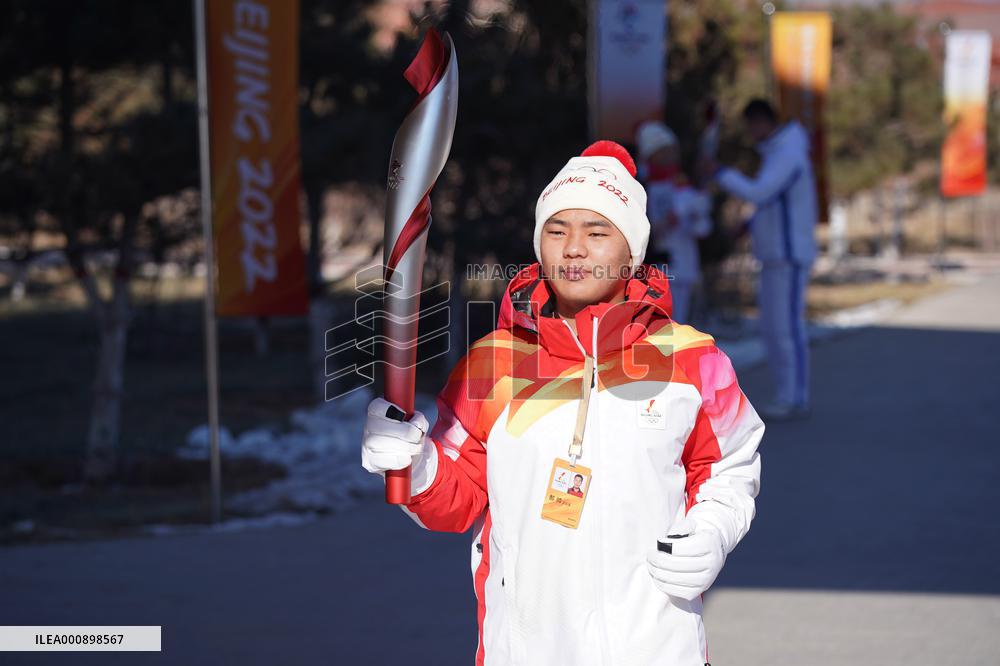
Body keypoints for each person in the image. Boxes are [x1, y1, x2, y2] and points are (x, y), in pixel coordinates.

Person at [361, 141, 764, 665]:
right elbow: (456, 495)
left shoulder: (689, 358)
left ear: (630, 253)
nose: (573, 248)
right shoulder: (494, 364)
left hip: (656, 647)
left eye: (597, 233)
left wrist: (711, 532)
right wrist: (413, 464)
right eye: (557, 230)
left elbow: (729, 466)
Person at [705, 99, 818, 421]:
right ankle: (787, 393)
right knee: (771, 328)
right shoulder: (776, 153)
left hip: (790, 254)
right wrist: (749, 225)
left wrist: (719, 172)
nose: (752, 132)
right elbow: (770, 201)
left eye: (755, 124)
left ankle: (795, 396)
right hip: (772, 254)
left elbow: (761, 192)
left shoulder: (789, 153)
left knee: (787, 327)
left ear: (767, 122)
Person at [635, 120, 712, 324]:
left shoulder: (684, 186)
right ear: (650, 155)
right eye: (663, 150)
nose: (670, 156)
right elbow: (647, 231)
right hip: (658, 269)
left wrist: (697, 215)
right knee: (659, 328)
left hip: (685, 267)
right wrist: (671, 217)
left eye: (672, 150)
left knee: (680, 328)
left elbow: (703, 229)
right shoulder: (641, 188)